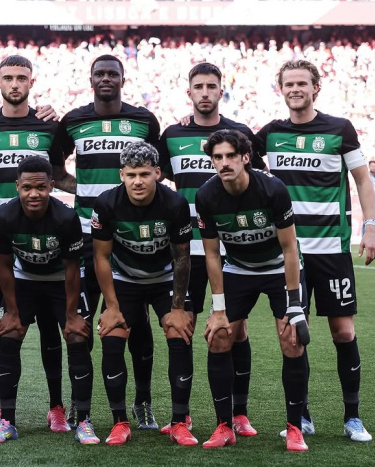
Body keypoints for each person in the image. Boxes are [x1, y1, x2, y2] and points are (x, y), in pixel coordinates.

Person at [0, 55, 75, 432]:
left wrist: (104, 189)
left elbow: (60, 177)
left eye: (22, 77)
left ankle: (56, 407)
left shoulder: (49, 125)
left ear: (31, 82)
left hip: (43, 242)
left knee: (51, 329)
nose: (15, 83)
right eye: (9, 77)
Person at [257, 60, 375, 442]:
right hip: (287, 253)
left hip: (331, 250)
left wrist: (370, 225)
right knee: (293, 335)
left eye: (302, 83)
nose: (295, 89)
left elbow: (362, 179)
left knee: (343, 331)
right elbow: (234, 153)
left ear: (315, 88)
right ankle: (302, 417)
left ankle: (352, 417)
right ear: (281, 89)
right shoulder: (270, 134)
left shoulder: (339, 129)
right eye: (289, 83)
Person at [158, 62, 265, 437]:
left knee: (236, 329)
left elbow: (259, 181)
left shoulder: (240, 134)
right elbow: (157, 179)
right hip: (185, 250)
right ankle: (181, 417)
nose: (205, 92)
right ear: (189, 92)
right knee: (181, 328)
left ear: (222, 91)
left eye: (211, 86)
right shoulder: (172, 135)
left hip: (230, 250)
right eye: (198, 86)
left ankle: (239, 414)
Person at [59, 55, 162, 430]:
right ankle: (79, 405)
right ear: (90, 80)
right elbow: (54, 169)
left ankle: (143, 402)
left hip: (130, 236)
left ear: (123, 79)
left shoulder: (144, 120)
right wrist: (86, 189)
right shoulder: (73, 120)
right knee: (80, 322)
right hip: (86, 236)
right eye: (99, 74)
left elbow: (155, 169)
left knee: (137, 324)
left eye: (112, 74)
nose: (106, 78)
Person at [196, 129, 310, 452]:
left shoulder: (272, 189)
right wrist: (219, 309)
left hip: (278, 268)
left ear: (246, 157)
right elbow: (212, 255)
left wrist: (294, 304)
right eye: (217, 157)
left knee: (292, 340)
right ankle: (225, 425)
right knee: (219, 336)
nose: (224, 163)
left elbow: (290, 248)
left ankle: (295, 428)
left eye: (231, 156)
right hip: (238, 269)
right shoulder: (206, 196)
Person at [0, 156, 97, 444]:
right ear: (17, 187)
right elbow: (3, 266)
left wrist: (71, 315)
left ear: (52, 186)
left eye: (40, 187)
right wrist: (12, 311)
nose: (33, 194)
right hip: (24, 280)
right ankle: (8, 421)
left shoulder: (66, 217)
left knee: (76, 336)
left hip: (61, 281)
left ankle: (83, 421)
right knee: (9, 333)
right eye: (27, 188)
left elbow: (73, 269)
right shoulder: (4, 216)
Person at [92, 141, 193, 446]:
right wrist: (111, 307)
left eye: (145, 174)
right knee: (113, 336)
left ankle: (179, 422)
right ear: (121, 174)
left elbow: (182, 258)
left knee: (179, 333)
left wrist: (178, 308)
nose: (138, 181)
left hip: (164, 278)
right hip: (125, 279)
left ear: (157, 173)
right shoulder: (106, 203)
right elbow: (101, 257)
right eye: (132, 174)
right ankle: (119, 422)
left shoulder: (175, 203)